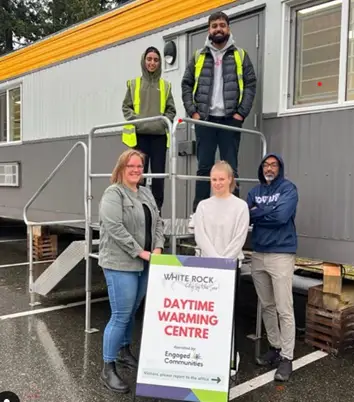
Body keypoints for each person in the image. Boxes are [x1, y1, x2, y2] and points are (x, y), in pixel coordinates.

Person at [98, 149, 165, 393]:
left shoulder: (145, 191)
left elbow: (159, 222)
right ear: (121, 168)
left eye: (140, 166)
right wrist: (141, 252)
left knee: (132, 311)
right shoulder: (113, 194)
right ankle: (108, 367)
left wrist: (157, 247)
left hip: (147, 262)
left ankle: (125, 350)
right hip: (120, 264)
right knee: (120, 315)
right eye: (131, 166)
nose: (136, 170)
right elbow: (115, 228)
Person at [181, 11, 257, 227]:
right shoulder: (198, 56)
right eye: (214, 26)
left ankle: (234, 216)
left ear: (228, 29)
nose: (218, 29)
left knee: (230, 167)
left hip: (230, 120)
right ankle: (198, 214)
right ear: (209, 30)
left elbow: (251, 84)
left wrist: (241, 113)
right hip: (205, 119)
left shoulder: (240, 55)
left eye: (222, 25)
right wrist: (193, 112)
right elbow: (186, 84)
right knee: (204, 168)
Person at [194, 160, 250, 378]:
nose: (217, 183)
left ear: (230, 180)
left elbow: (239, 238)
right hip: (208, 268)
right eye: (214, 179)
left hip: (230, 268)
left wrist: (224, 263)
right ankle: (207, 355)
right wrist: (215, 261)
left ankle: (229, 357)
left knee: (228, 314)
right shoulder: (203, 206)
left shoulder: (240, 206)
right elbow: (201, 236)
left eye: (221, 179)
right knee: (207, 315)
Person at [246, 153, 299, 382]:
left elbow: (281, 217)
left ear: (280, 168)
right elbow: (247, 215)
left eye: (274, 165)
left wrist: (260, 213)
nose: (270, 168)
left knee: (284, 308)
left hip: (281, 254)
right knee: (267, 305)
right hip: (258, 253)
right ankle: (275, 348)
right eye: (266, 164)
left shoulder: (288, 189)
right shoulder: (254, 192)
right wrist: (263, 212)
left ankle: (287, 358)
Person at [122, 46, 176, 212]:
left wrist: (161, 123)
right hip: (140, 137)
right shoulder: (134, 84)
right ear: (143, 61)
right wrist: (139, 121)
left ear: (159, 63)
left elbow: (171, 111)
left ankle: (157, 211)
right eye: (149, 59)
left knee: (159, 176)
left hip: (159, 137)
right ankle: (138, 209)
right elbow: (126, 108)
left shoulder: (165, 86)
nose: (152, 63)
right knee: (138, 174)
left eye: (156, 60)